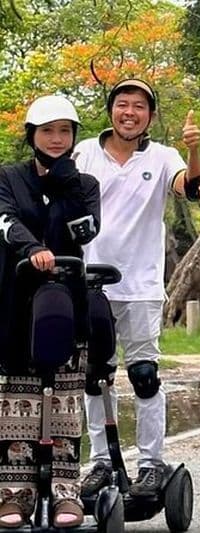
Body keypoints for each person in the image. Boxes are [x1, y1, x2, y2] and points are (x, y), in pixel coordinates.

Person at [76, 78, 200, 498]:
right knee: (95, 377)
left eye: (139, 106)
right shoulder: (84, 154)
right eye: (122, 104)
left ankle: (151, 464)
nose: (129, 112)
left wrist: (194, 149)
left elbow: (188, 186)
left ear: (149, 116)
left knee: (144, 375)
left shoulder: (164, 156)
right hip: (90, 283)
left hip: (141, 285)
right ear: (111, 110)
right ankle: (100, 463)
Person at [0, 95, 100, 527]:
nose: (57, 139)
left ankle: (66, 493)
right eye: (47, 131)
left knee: (64, 395)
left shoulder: (85, 183)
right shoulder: (8, 177)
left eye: (64, 131)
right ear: (32, 135)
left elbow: (87, 230)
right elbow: (4, 221)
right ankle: (14, 494)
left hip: (65, 300)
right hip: (17, 298)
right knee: (15, 397)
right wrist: (34, 248)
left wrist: (67, 181)